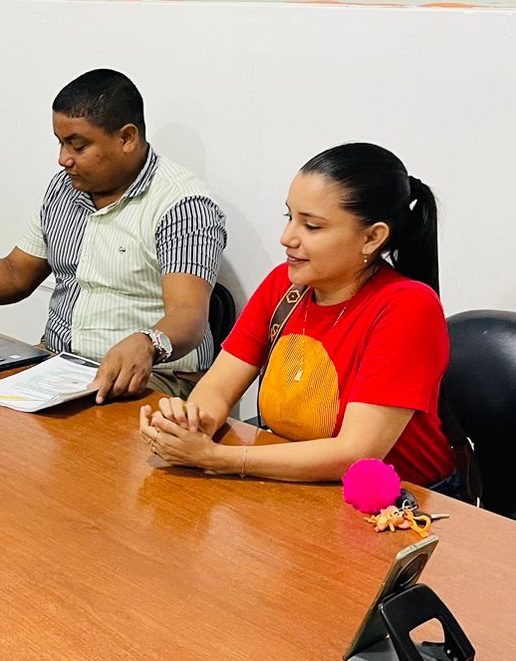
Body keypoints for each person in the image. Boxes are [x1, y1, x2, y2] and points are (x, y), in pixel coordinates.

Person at [0, 68, 227, 401]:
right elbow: (14, 275)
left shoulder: (183, 205)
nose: (63, 159)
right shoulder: (64, 189)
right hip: (56, 365)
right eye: (60, 143)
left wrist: (148, 343)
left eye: (78, 146)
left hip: (151, 379)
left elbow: (189, 314)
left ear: (127, 138)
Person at [139, 143, 457, 489]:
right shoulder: (285, 285)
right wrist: (190, 423)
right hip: (298, 483)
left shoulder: (408, 307)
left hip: (396, 500)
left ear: (372, 237)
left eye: (312, 226)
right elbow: (217, 386)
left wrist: (218, 458)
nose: (287, 238)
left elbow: (355, 454)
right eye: (289, 217)